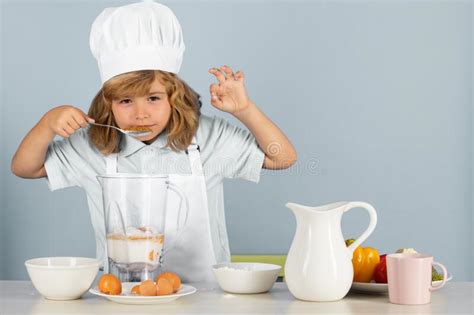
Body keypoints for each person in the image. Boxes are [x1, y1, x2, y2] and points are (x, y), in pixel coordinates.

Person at [11, 1, 297, 283]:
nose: (140, 113)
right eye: (125, 101)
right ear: (108, 104)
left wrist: (244, 110)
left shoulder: (208, 137)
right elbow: (25, 168)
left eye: (153, 98)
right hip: (121, 293)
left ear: (174, 96)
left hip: (207, 297)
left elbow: (282, 158)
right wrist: (47, 124)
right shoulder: (93, 145)